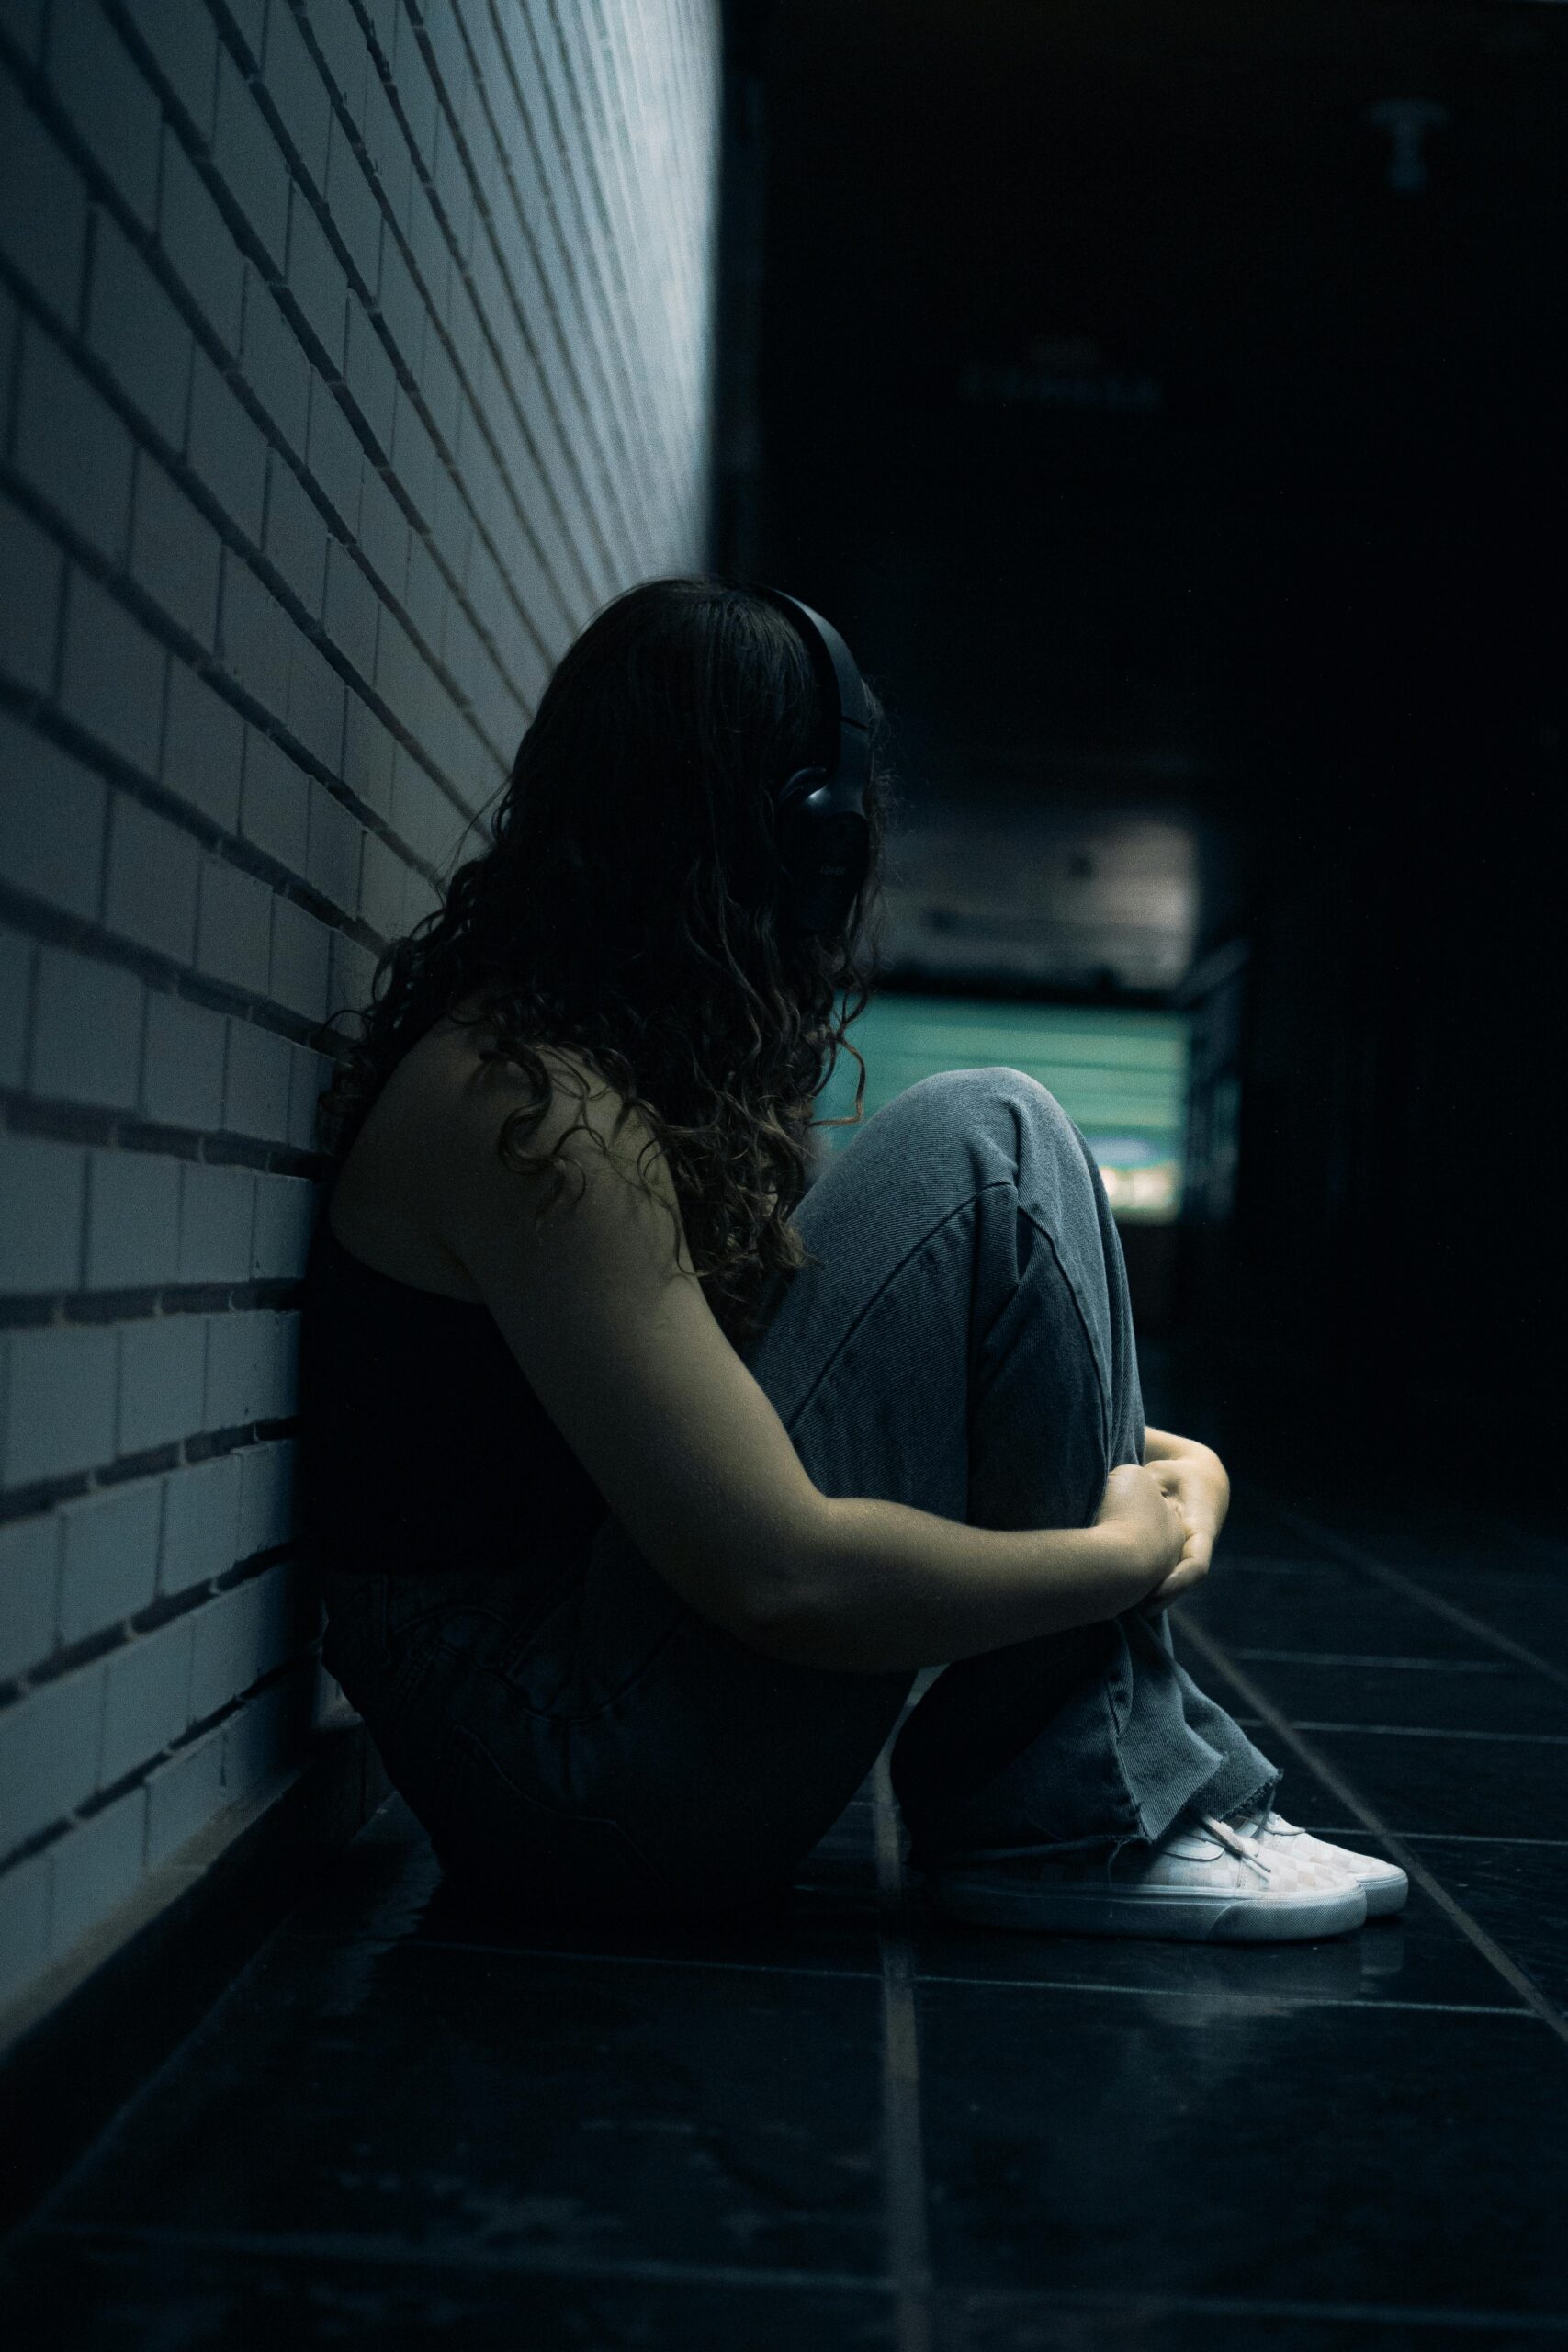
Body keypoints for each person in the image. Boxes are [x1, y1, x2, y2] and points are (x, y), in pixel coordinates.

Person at [299, 576, 1404, 1942]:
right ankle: (1079, 1822)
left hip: (578, 1718)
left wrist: (1159, 1458)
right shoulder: (528, 1107)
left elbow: (793, 1394)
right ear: (782, 839)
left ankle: (1097, 1806)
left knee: (995, 1144)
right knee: (988, 1135)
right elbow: (783, 1571)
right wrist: (1120, 1552)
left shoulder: (592, 1076)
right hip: (566, 1776)